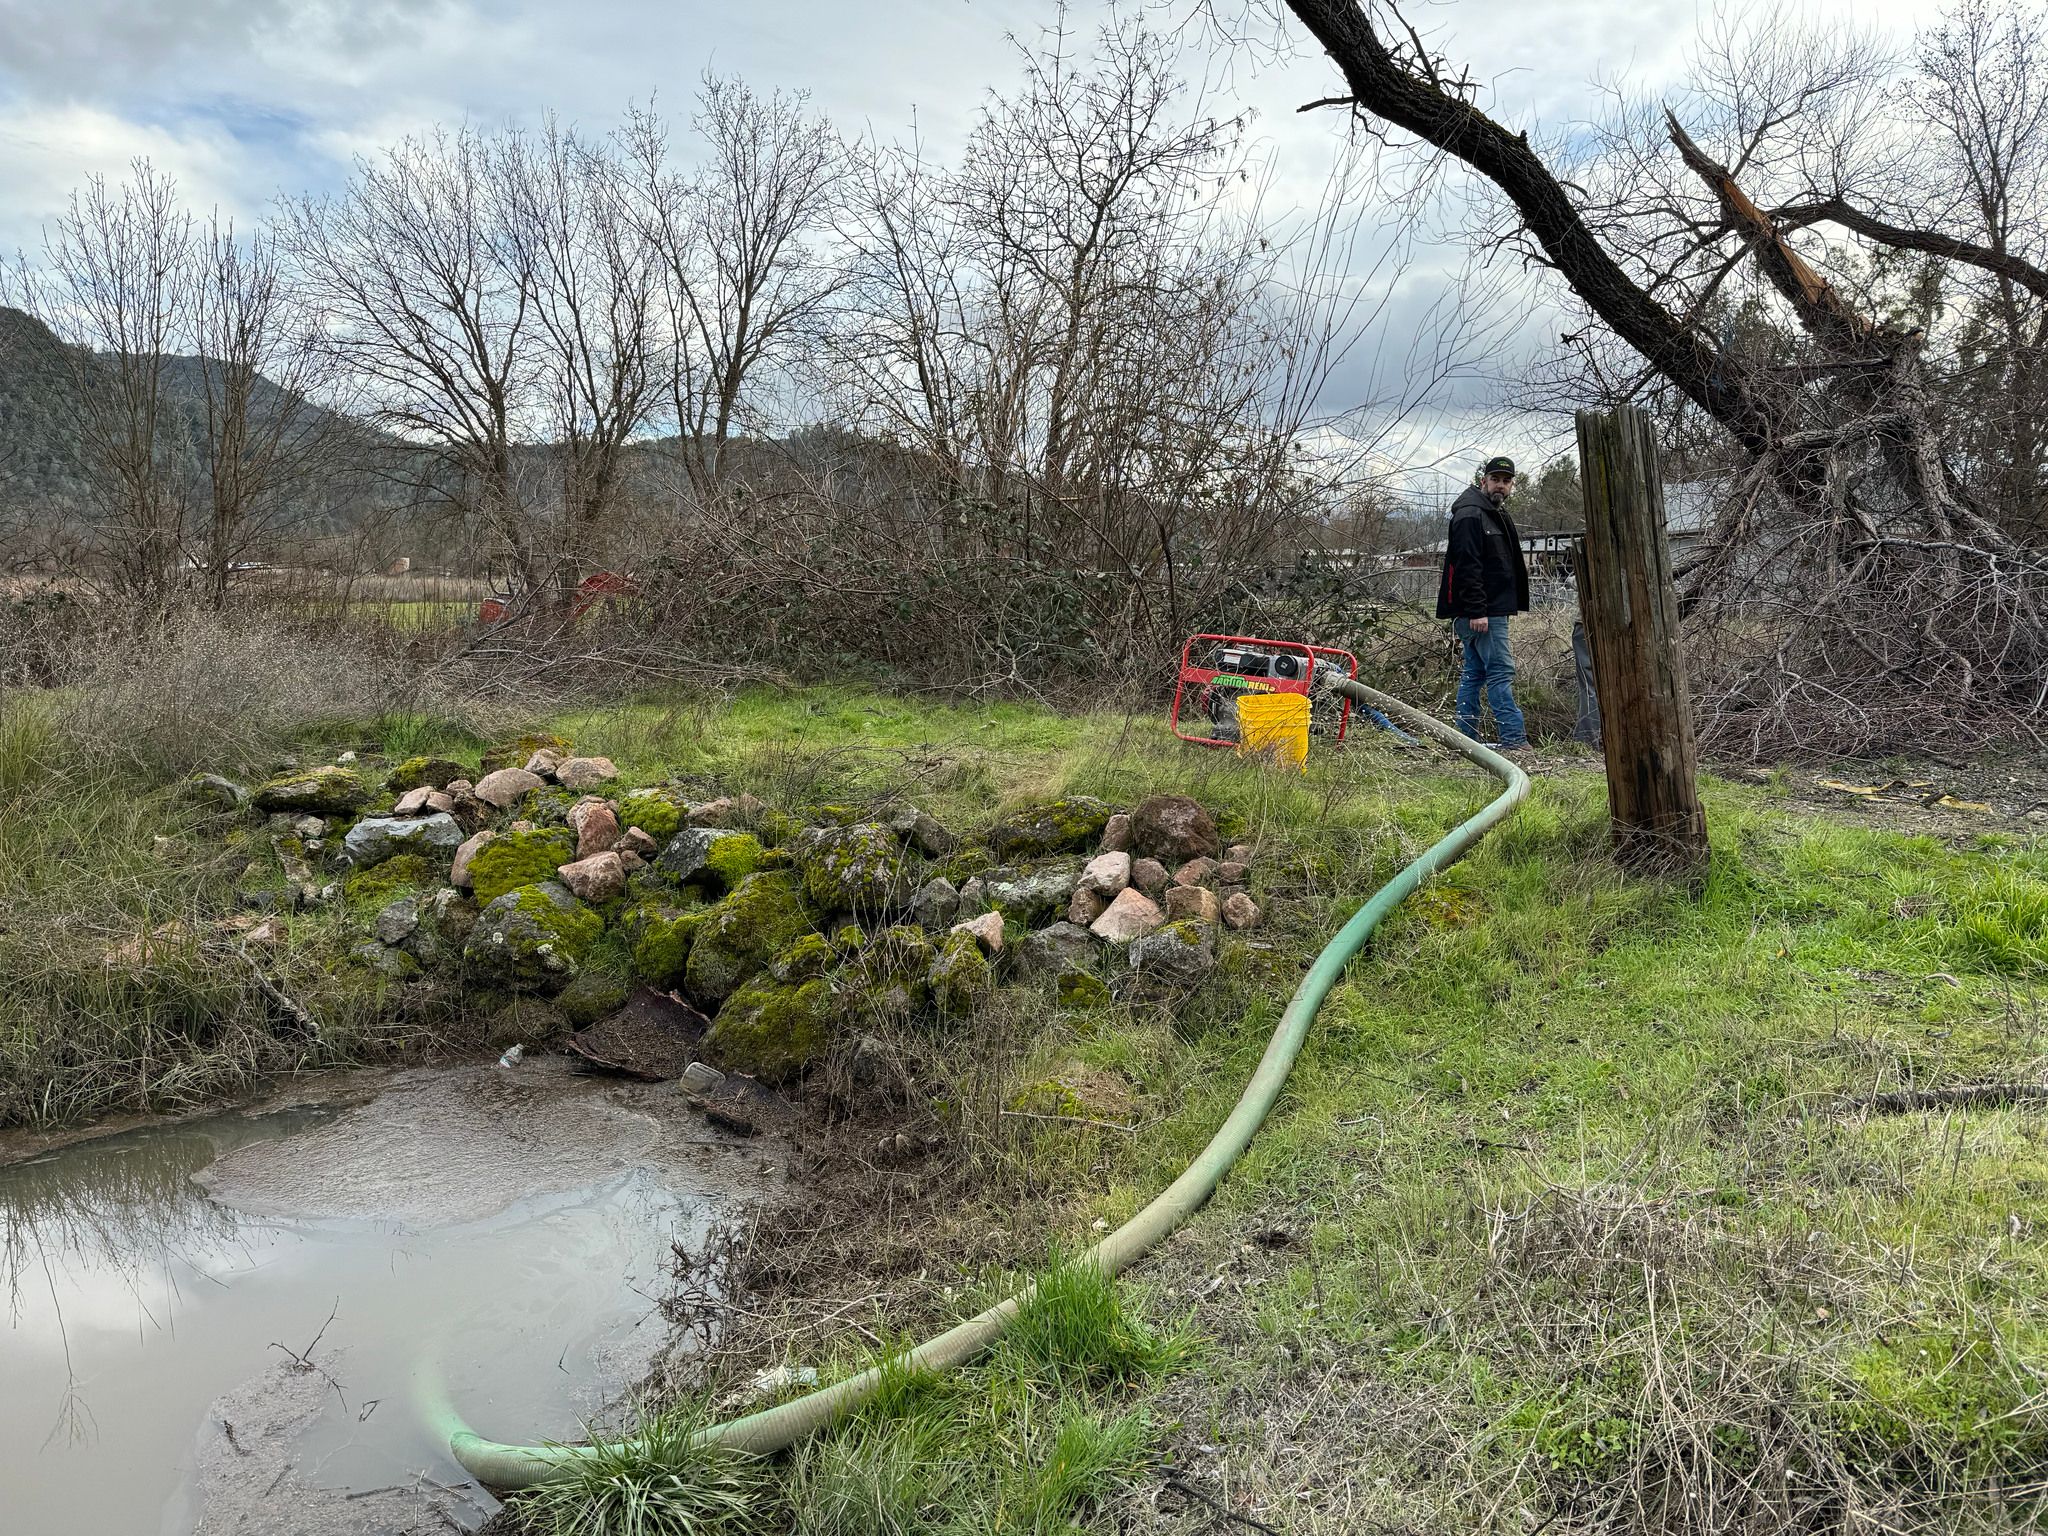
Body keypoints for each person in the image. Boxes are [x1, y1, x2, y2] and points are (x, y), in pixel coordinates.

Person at [1435, 455, 1532, 751]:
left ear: (1511, 484)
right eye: (1495, 480)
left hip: (1487, 610)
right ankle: (1514, 740)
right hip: (1482, 613)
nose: (1500, 486)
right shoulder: (1471, 514)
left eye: (1506, 481)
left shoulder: (1492, 512)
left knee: (1475, 673)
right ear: (1483, 481)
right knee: (1500, 672)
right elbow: (1467, 566)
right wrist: (1478, 610)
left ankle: (1464, 741)